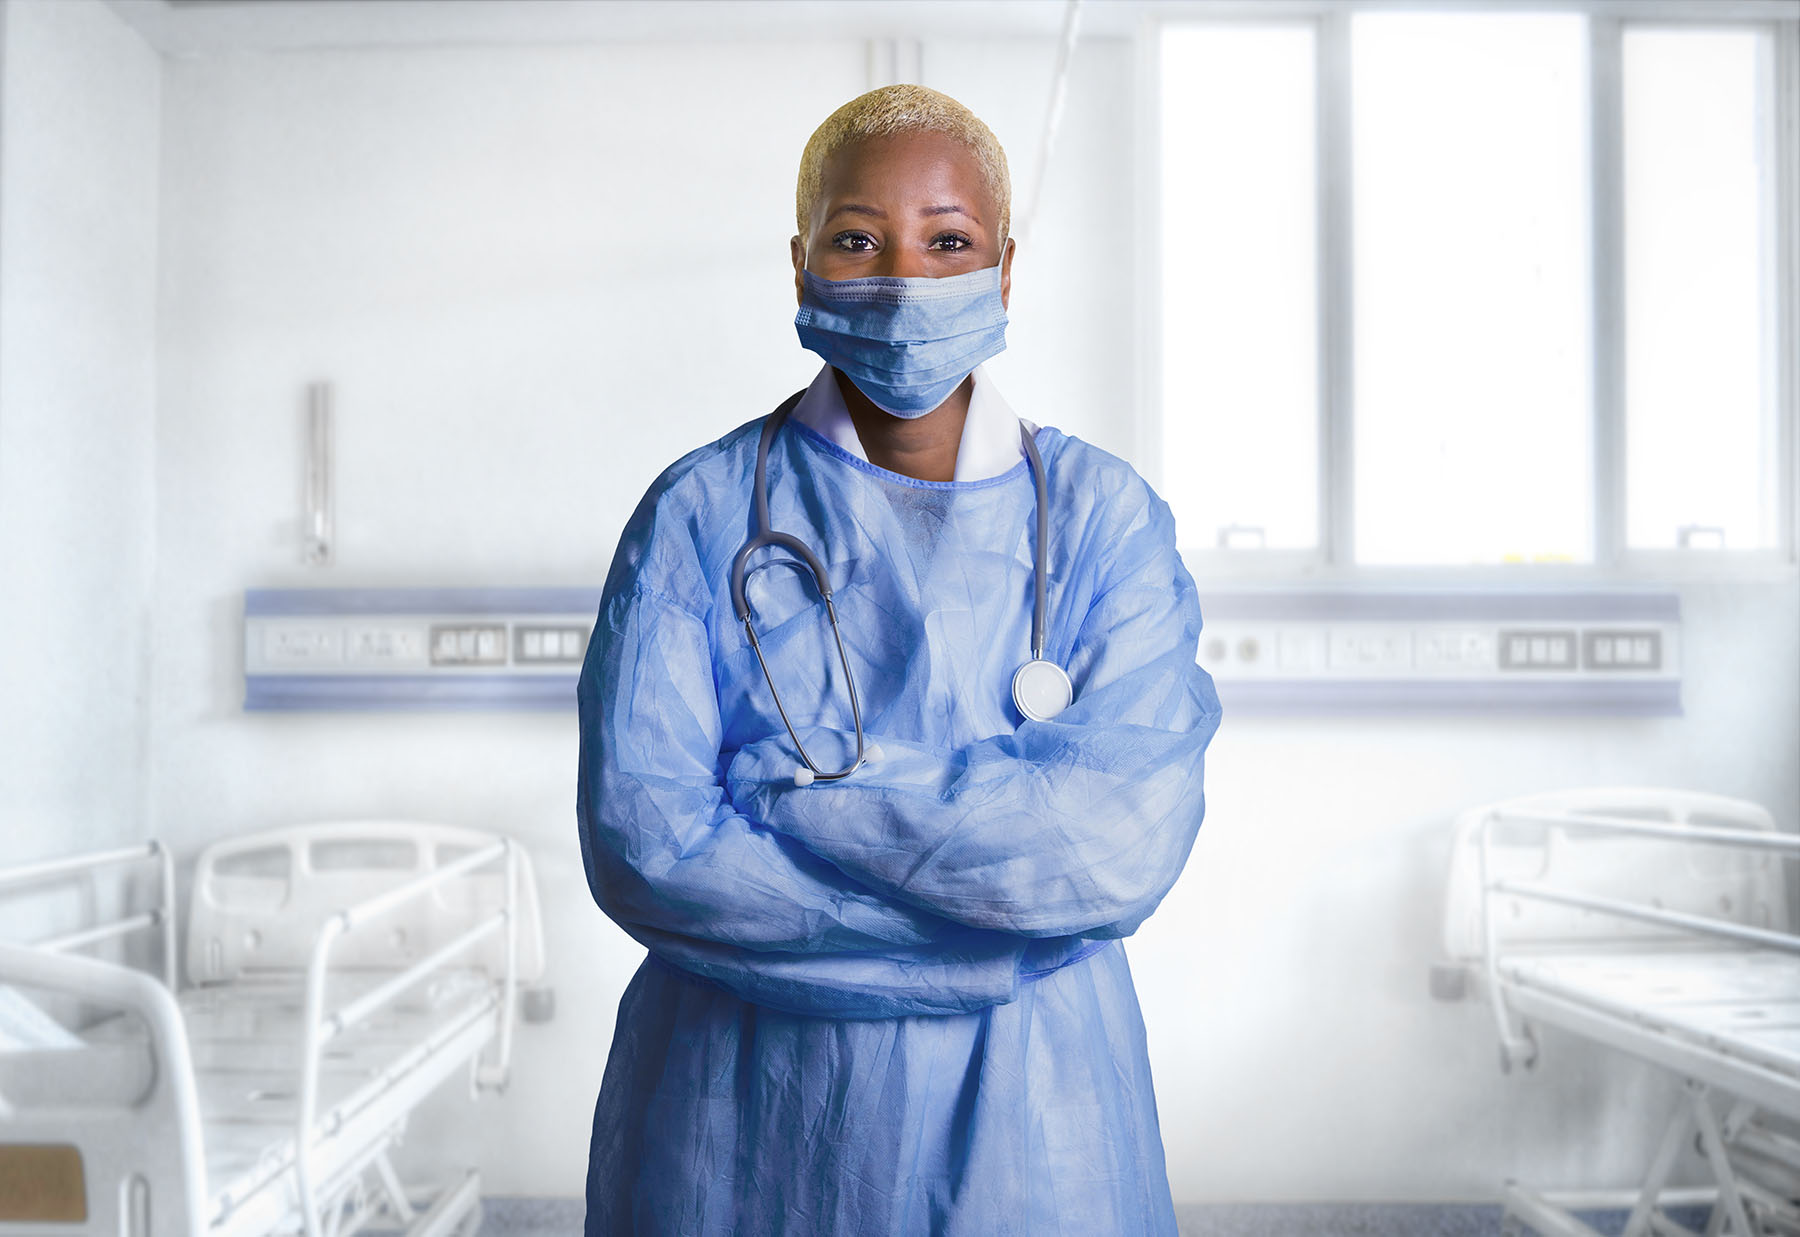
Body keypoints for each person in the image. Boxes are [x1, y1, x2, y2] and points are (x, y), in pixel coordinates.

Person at [577, 83, 1222, 1235]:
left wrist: (789, 803)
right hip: (746, 1116)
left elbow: (1108, 848)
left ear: (1006, 268)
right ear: (802, 263)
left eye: (950, 241)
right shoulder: (698, 513)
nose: (904, 277)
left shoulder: (1102, 519)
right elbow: (650, 846)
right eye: (859, 238)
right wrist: (988, 938)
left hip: (1033, 1113)